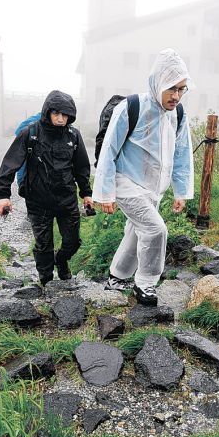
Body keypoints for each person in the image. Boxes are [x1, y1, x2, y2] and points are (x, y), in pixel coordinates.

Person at [92, 48, 194, 306]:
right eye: (172, 89)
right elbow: (109, 150)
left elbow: (182, 155)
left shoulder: (178, 115)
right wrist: (104, 193)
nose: (177, 96)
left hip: (153, 188)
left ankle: (117, 276)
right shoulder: (131, 107)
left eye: (182, 89)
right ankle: (145, 284)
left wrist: (181, 191)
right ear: (158, 82)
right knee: (155, 229)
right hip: (125, 182)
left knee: (138, 232)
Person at [0, 90, 93, 286]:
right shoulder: (30, 133)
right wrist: (3, 195)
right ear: (47, 112)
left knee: (72, 242)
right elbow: (10, 163)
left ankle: (62, 260)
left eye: (65, 115)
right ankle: (46, 282)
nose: (60, 118)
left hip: (67, 199)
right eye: (56, 113)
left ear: (70, 116)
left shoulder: (74, 135)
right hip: (38, 200)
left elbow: (82, 166)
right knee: (43, 245)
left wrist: (86, 193)